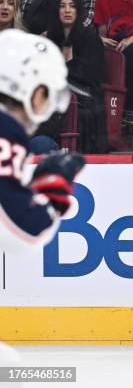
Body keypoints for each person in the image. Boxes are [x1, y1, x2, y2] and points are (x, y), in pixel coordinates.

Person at [0, 29, 84, 254]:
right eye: (49, 95)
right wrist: (52, 190)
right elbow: (24, 232)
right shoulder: (6, 129)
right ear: (35, 93)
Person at [46, 0, 108, 153]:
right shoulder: (50, 40)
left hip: (86, 100)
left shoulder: (91, 39)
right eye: (62, 6)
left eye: (72, 6)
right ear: (56, 11)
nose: (67, 10)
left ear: (78, 10)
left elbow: (87, 74)